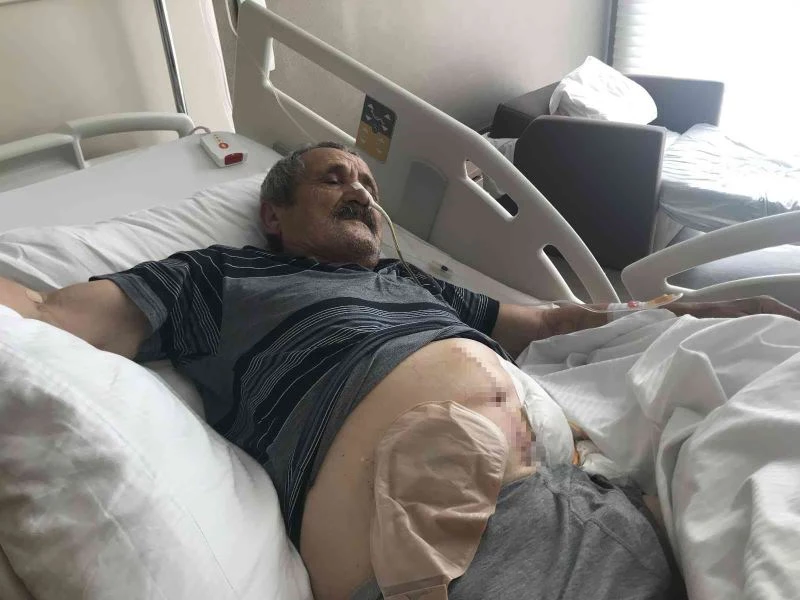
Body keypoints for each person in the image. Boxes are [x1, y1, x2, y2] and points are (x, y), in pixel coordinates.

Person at [0, 141, 798, 600]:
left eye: (367, 183)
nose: (360, 191)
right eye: (333, 178)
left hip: (587, 501)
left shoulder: (409, 281)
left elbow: (551, 323)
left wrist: (684, 311)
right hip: (444, 550)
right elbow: (43, 312)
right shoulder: (221, 278)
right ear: (273, 216)